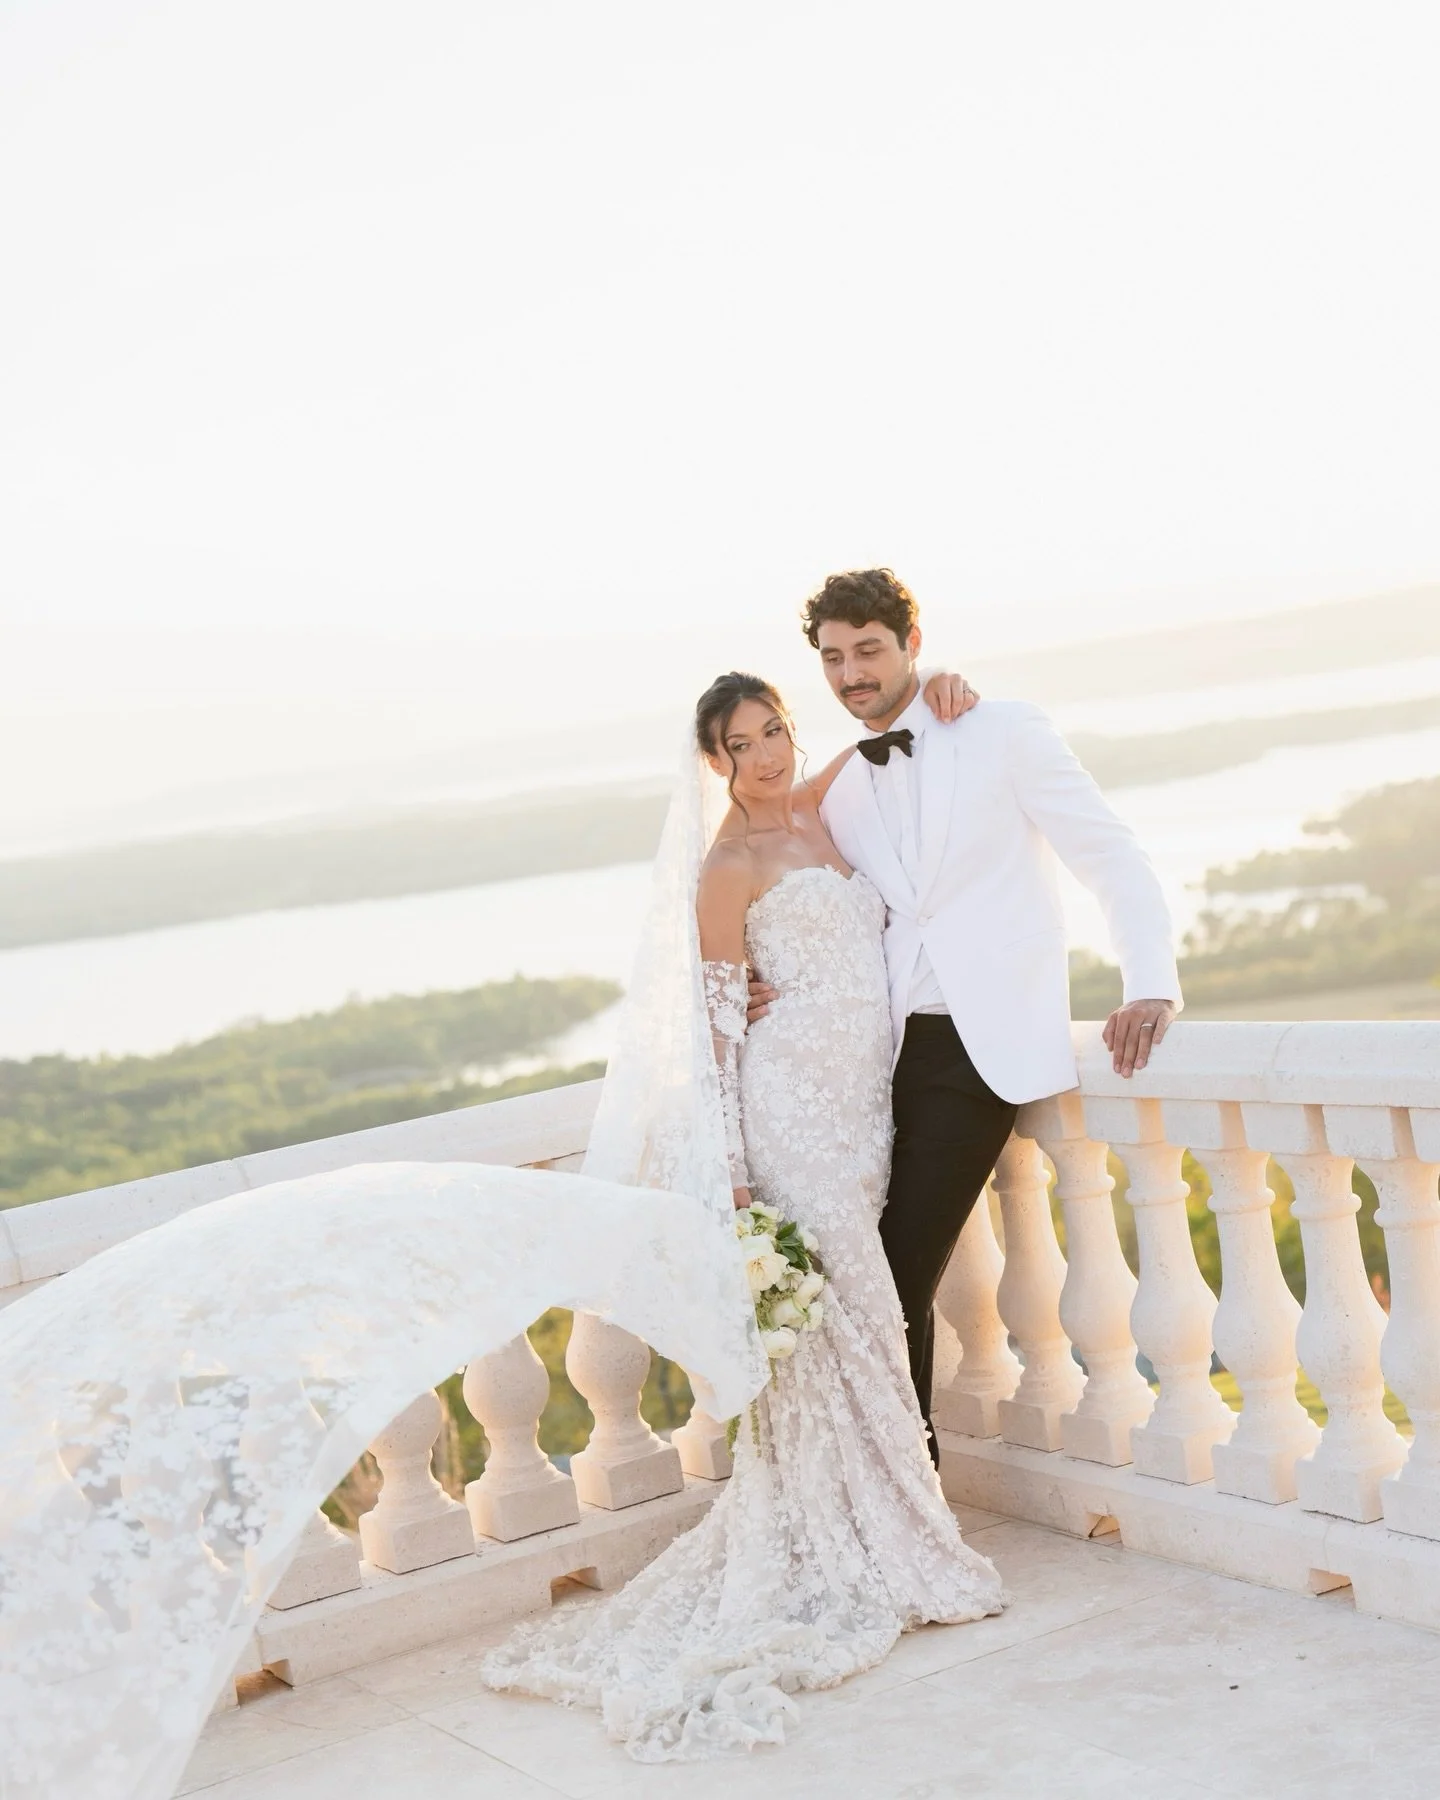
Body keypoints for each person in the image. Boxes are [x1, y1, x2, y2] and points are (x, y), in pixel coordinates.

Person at [481, 666, 1006, 1760]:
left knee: (857, 1322)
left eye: (773, 731)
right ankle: (893, 1539)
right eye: (740, 742)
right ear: (713, 761)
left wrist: (943, 686)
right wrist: (728, 1168)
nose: (764, 754)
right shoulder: (728, 865)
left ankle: (875, 1525)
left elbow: (889, 738)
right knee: (858, 1316)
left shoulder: (821, 812)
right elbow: (718, 1023)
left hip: (864, 1111)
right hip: (788, 1115)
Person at [749, 567, 1182, 1462]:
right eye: (833, 658)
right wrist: (749, 978)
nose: (851, 673)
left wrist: (1149, 982)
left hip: (971, 1048)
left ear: (913, 643)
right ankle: (888, 1492)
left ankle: (909, 1487)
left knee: (893, 1272)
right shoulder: (839, 789)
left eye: (869, 649)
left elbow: (1110, 853)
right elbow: (763, 870)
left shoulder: (1001, 729)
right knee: (859, 1275)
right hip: (867, 1058)